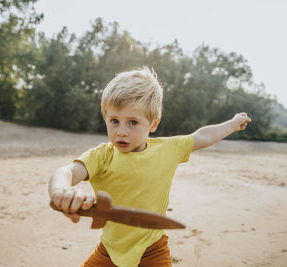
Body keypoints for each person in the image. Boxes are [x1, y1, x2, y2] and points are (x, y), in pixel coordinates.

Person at [48, 67, 251, 267]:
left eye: (133, 122)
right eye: (114, 121)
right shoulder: (102, 156)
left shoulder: (168, 149)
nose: (122, 132)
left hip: (153, 247)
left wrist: (233, 124)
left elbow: (202, 136)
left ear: (153, 124)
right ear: (106, 118)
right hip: (110, 249)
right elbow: (67, 171)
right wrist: (61, 190)